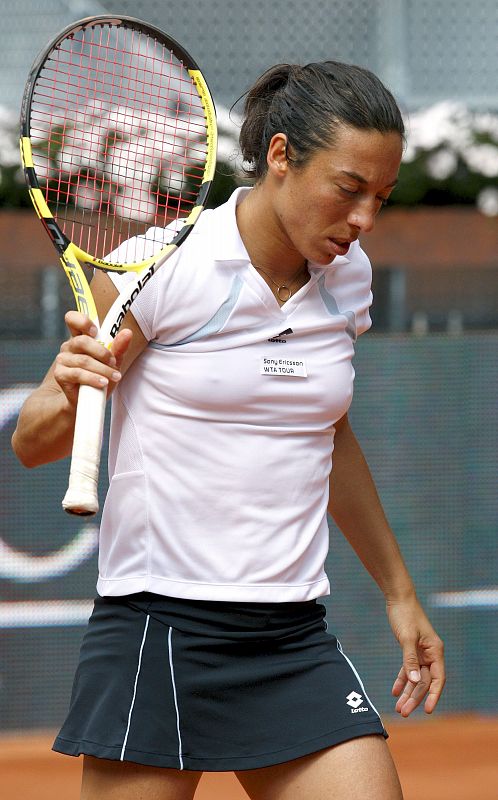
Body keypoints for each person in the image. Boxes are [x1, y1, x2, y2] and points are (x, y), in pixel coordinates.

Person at [12, 61, 445, 800]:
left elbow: (326, 435)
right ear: (280, 156)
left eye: (381, 197)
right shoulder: (165, 267)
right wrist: (71, 386)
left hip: (289, 634)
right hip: (159, 628)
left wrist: (400, 593)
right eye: (348, 190)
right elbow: (33, 441)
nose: (365, 219)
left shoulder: (349, 278)